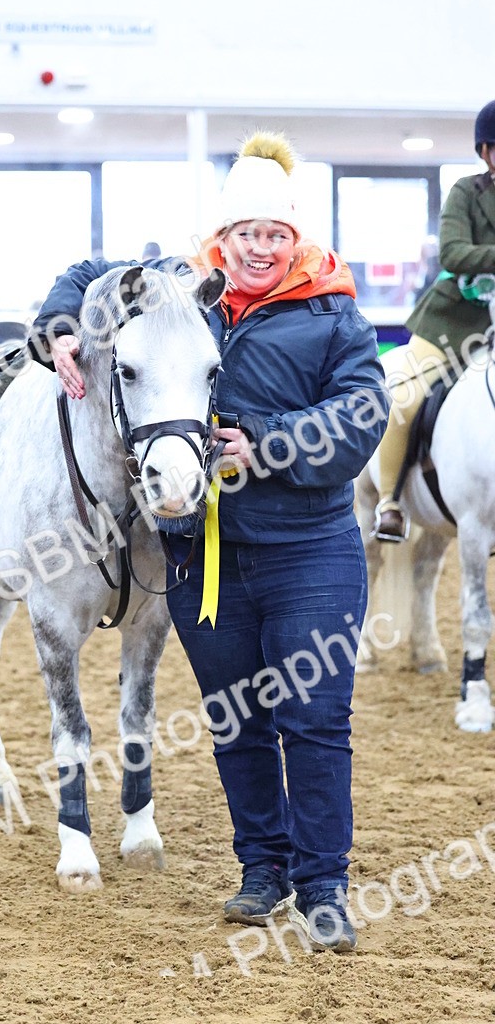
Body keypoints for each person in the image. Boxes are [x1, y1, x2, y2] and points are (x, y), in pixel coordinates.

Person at [31, 132, 389, 952]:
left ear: (295, 240)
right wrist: (57, 327)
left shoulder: (337, 317)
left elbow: (361, 418)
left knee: (316, 718)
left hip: (310, 553)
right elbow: (89, 276)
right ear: (219, 242)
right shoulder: (189, 301)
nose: (259, 248)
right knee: (237, 720)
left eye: (274, 234)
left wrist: (265, 444)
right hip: (206, 557)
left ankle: (325, 885)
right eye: (243, 234)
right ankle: (262, 870)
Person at [373, 98, 495, 541]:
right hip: (453, 325)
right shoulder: (466, 192)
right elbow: (454, 253)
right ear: (486, 152)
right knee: (404, 399)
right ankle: (389, 502)